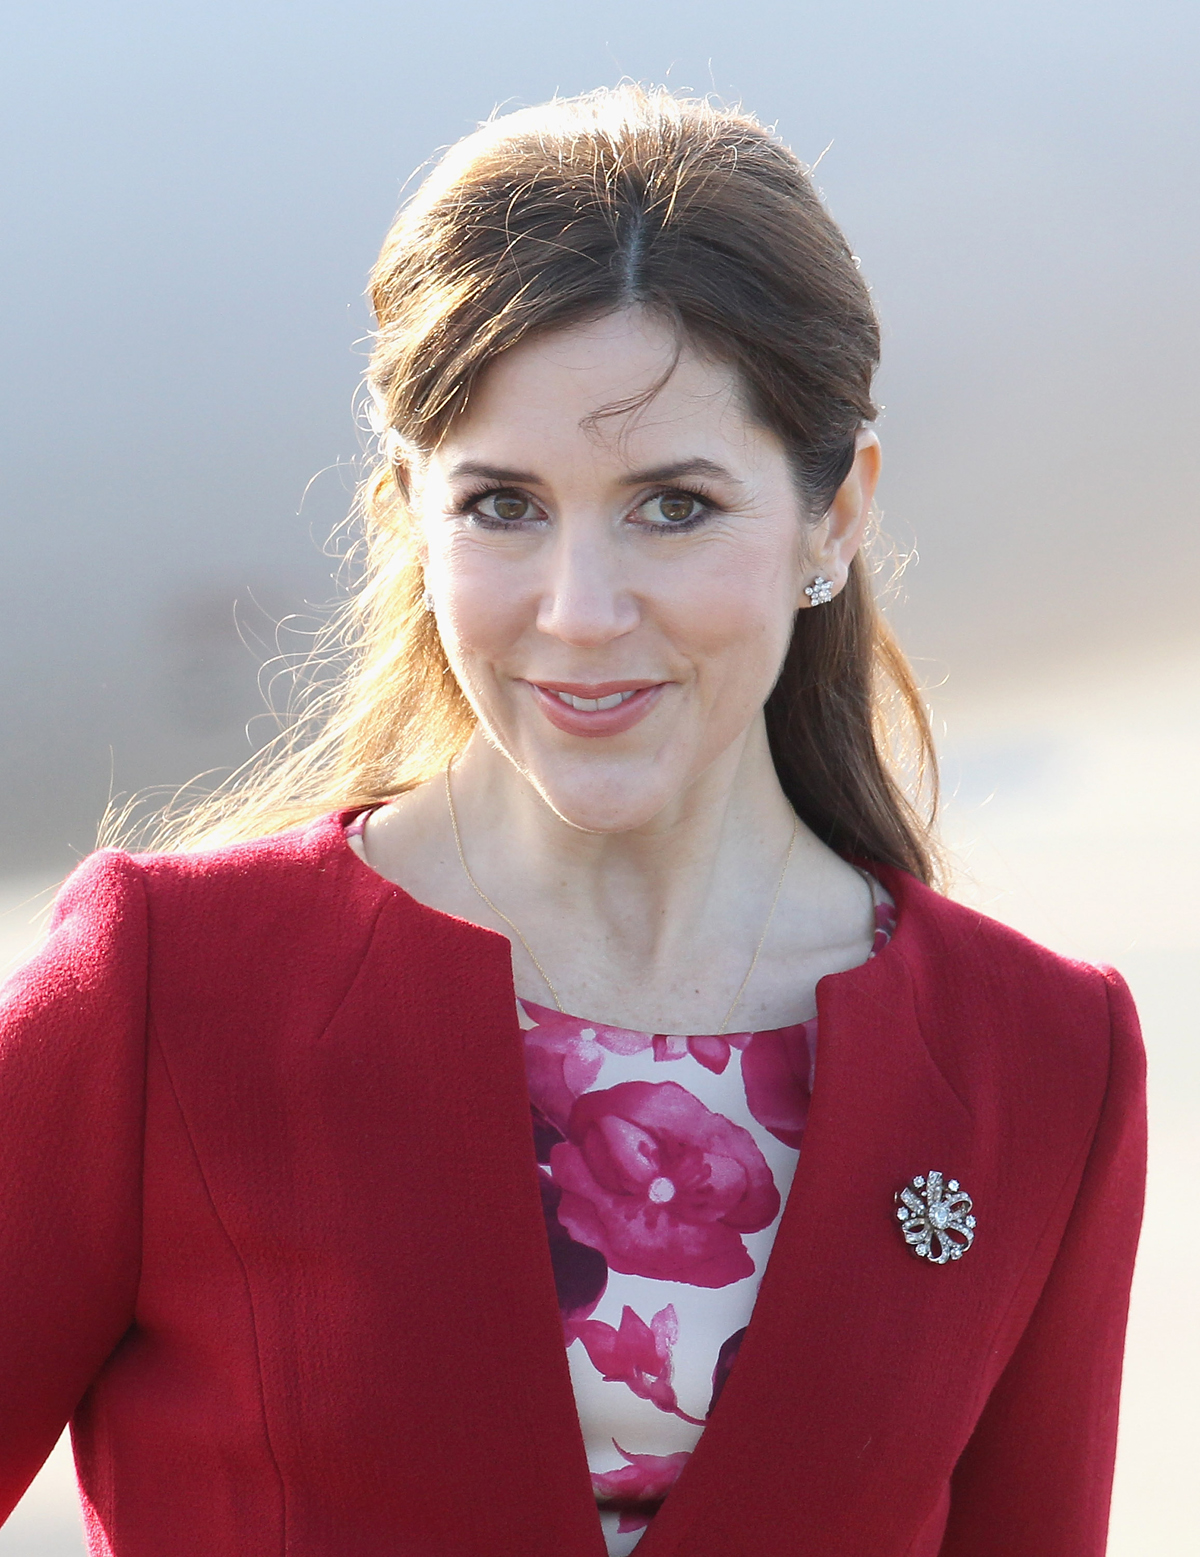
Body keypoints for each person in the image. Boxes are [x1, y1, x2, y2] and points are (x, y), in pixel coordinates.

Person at [0, 87, 1145, 1557]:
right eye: (502, 506)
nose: (581, 613)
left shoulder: (1043, 1060)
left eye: (672, 505)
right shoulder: (168, 989)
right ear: (410, 508)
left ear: (837, 516)